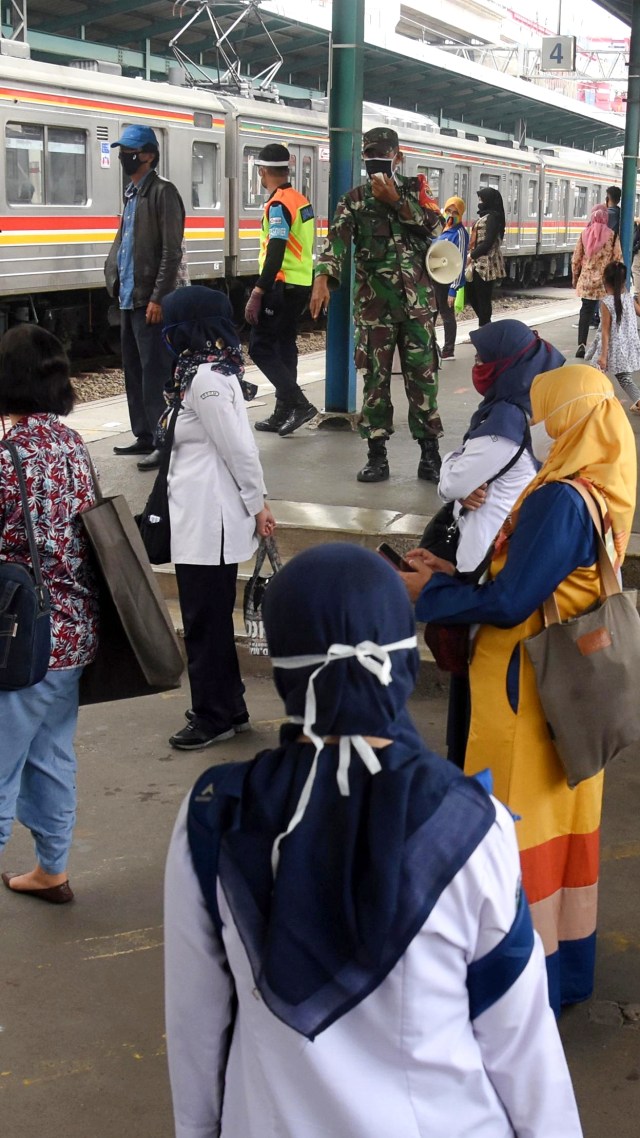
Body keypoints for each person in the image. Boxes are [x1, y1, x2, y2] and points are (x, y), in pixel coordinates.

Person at [164, 542, 583, 1138]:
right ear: (403, 658)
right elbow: (519, 1038)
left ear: (285, 670)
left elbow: (196, 1025)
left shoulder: (215, 814)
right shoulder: (468, 823)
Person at [401, 365, 636, 1015]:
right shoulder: (602, 478)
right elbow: (530, 578)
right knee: (563, 837)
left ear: (569, 418)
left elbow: (509, 602)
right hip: (570, 699)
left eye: (546, 412)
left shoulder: (560, 497)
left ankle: (515, 988)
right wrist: (455, 571)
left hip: (527, 694)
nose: (536, 425)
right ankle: (565, 971)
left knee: (509, 832)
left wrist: (430, 593)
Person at [432, 320, 564, 770]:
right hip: (483, 554)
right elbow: (459, 483)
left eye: (484, 358)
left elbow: (452, 481)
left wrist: (453, 467)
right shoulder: (508, 410)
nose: (477, 366)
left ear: (507, 364)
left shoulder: (503, 421)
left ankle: (468, 771)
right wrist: (458, 477)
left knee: (473, 688)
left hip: (482, 565)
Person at [0, 326, 99, 905]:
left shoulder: (8, 456)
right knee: (51, 753)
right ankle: (51, 869)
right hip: (74, 632)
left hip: (20, 638)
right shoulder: (72, 443)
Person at [161, 286, 275, 751]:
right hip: (201, 517)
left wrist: (258, 504)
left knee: (204, 621)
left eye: (173, 324)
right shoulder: (204, 371)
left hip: (210, 522)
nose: (166, 334)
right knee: (207, 619)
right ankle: (229, 706)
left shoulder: (205, 379)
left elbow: (239, 449)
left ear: (191, 326)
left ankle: (213, 717)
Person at [310, 126, 444, 484]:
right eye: (370, 156)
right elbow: (335, 241)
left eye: (383, 156)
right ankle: (376, 455)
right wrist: (322, 276)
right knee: (375, 383)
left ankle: (430, 455)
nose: (376, 162)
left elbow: (436, 227)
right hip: (374, 310)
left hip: (418, 305)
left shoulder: (417, 192)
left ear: (398, 157)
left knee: (423, 381)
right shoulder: (353, 200)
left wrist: (396, 202)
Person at [105, 125, 185, 471]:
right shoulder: (132, 193)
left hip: (148, 299)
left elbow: (171, 252)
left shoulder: (163, 193)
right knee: (134, 369)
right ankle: (143, 435)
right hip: (127, 296)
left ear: (149, 155)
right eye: (123, 150)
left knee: (155, 373)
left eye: (131, 151)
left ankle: (162, 440)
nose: (125, 156)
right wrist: (113, 278)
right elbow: (124, 242)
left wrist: (157, 298)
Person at [245, 143, 318, 437]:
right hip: (299, 282)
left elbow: (276, 249)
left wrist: (258, 291)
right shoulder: (300, 200)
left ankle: (298, 403)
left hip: (281, 284)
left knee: (259, 347)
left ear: (263, 171)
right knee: (285, 346)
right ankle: (283, 410)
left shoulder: (278, 205)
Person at [586, 261, 640, 413]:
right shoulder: (628, 297)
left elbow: (605, 331)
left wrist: (603, 356)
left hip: (614, 347)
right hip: (627, 345)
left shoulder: (606, 302)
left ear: (605, 280)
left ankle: (594, 404)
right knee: (624, 378)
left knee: (599, 372)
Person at [572, 204, 622, 358]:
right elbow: (618, 258)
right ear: (606, 218)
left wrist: (575, 277)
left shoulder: (584, 234)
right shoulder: (612, 236)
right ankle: (604, 348)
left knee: (585, 312)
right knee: (606, 314)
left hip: (587, 282)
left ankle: (581, 344)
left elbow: (576, 259)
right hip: (605, 282)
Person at [431, 195, 469, 360]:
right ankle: (430, 347)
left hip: (447, 280)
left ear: (461, 215)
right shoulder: (444, 228)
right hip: (435, 277)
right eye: (449, 210)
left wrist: (453, 289)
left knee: (446, 314)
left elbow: (458, 261)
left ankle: (448, 350)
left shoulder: (460, 233)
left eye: (456, 212)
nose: (451, 215)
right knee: (431, 313)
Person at [465, 187, 506, 327]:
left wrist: (471, 255)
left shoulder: (493, 218)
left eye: (482, 199)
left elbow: (488, 243)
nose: (479, 202)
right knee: (473, 294)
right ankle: (486, 326)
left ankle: (485, 327)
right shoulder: (486, 216)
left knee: (483, 297)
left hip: (487, 264)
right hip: (478, 262)